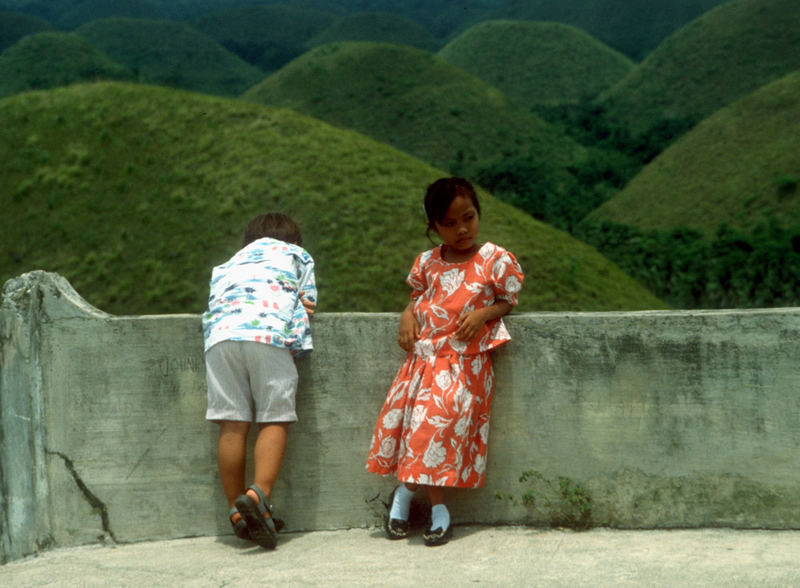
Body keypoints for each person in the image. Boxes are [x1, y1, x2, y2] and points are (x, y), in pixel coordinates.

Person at [365, 177, 524, 546]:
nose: (462, 229)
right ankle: (435, 510)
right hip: (424, 364)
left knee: (438, 433)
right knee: (421, 432)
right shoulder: (427, 263)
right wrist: (408, 313)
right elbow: (418, 297)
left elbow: (508, 301)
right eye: (449, 224)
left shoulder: (495, 260)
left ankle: (407, 496)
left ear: (478, 214)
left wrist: (485, 313)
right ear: (433, 228)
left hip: (465, 367)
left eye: (468, 218)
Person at [202, 212, 316, 550]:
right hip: (266, 333)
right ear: (294, 242)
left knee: (232, 423)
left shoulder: (226, 265)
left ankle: (236, 511)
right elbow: (308, 302)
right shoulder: (296, 255)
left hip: (220, 340)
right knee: (274, 416)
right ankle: (259, 494)